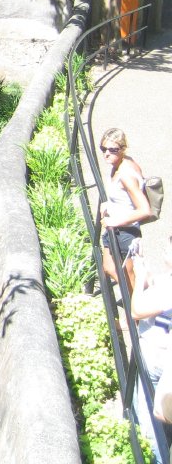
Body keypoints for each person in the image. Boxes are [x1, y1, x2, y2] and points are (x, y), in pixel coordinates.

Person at [130, 240, 172, 462]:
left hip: (158, 357)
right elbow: (157, 287)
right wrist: (143, 268)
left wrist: (137, 282)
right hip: (160, 356)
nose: (166, 247)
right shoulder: (167, 280)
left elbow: (137, 311)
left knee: (149, 429)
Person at [98, 127, 153, 296]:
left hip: (126, 231)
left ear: (123, 149)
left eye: (113, 149)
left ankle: (137, 316)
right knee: (108, 267)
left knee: (130, 279)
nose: (107, 153)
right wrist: (108, 204)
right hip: (113, 228)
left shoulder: (126, 174)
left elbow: (145, 210)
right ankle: (138, 303)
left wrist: (116, 221)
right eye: (103, 149)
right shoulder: (119, 163)